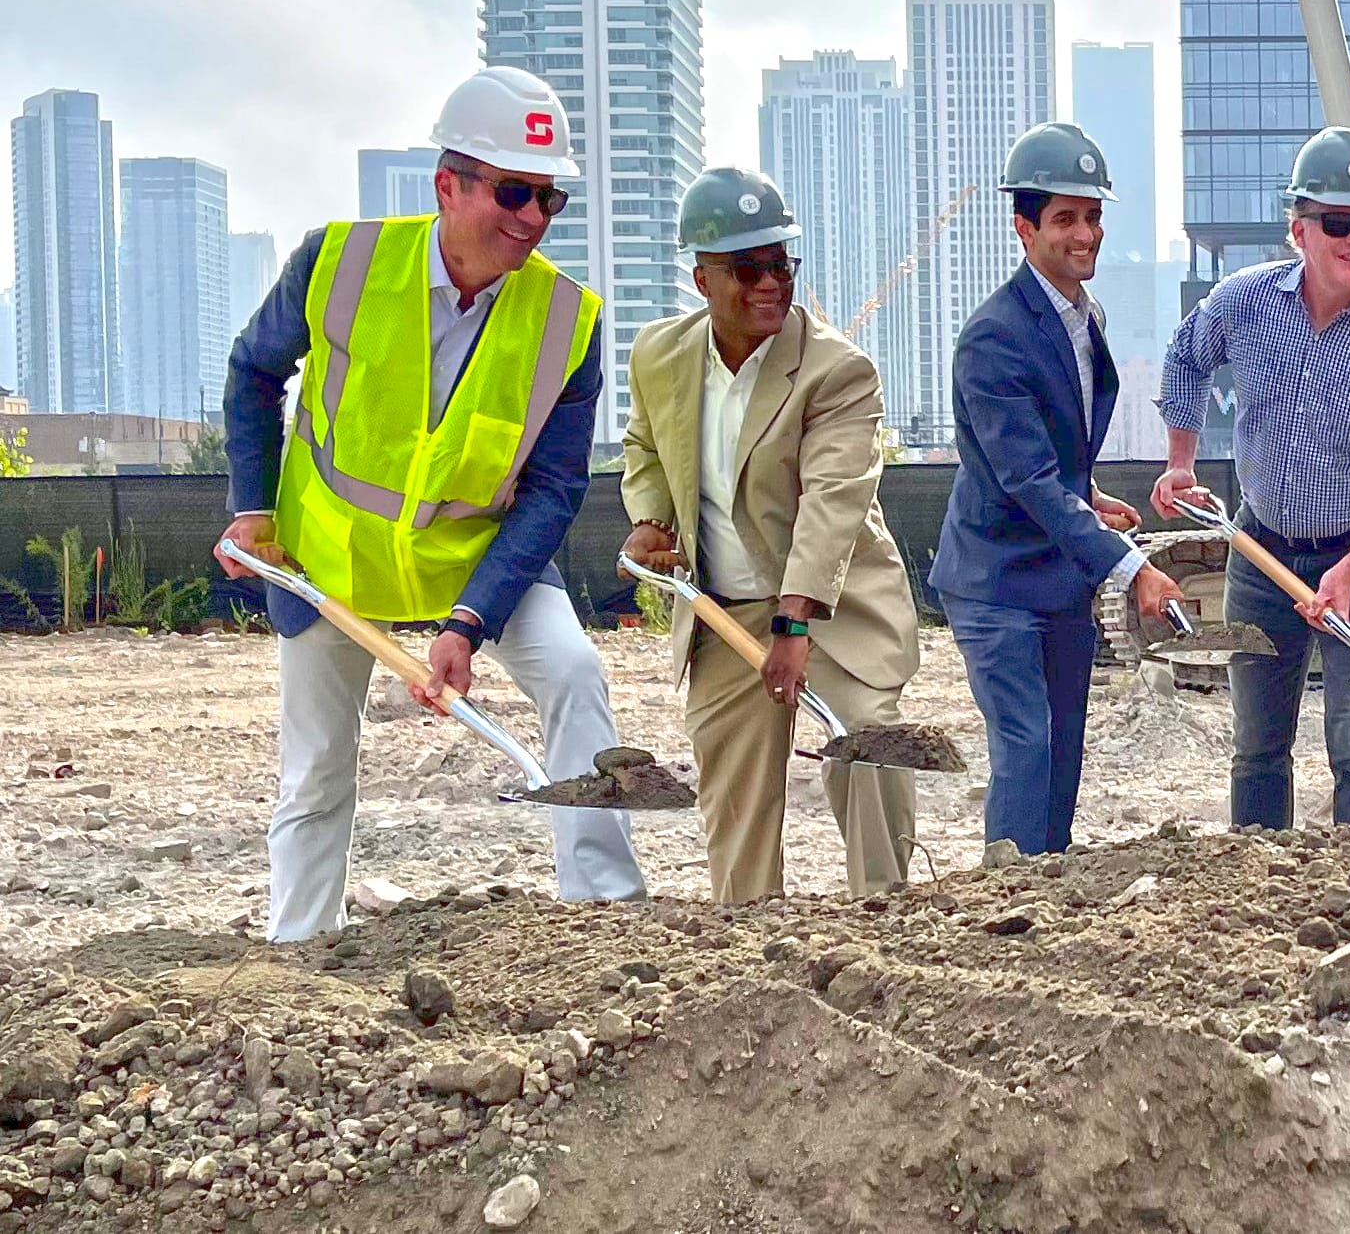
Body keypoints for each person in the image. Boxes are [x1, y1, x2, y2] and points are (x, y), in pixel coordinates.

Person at [216, 64, 645, 943]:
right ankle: (299, 947)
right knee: (318, 766)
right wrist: (253, 509)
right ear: (448, 185)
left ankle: (605, 913)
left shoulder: (571, 321)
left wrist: (468, 620)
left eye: (549, 200)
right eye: (515, 192)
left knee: (572, 672)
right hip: (332, 559)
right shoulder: (339, 262)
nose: (532, 220)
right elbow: (252, 373)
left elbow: (556, 487)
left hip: (476, 559)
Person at [619, 167, 919, 903]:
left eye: (780, 264)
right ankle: (751, 942)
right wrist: (650, 520)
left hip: (833, 601)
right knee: (736, 802)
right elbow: (645, 447)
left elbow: (832, 503)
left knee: (869, 744)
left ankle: (885, 917)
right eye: (747, 268)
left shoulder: (836, 371)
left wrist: (794, 621)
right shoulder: (660, 356)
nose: (769, 284)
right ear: (700, 278)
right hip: (724, 610)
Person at [1153, 126, 1350, 831]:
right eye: (1337, 222)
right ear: (1299, 228)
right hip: (1259, 556)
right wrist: (1179, 459)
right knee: (1257, 747)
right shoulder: (1245, 303)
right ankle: (1253, 892)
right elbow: (1184, 357)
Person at [931, 123, 1183, 856]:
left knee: (1064, 744)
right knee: (1025, 741)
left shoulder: (1083, 317)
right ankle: (1006, 896)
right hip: (995, 580)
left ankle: (1049, 890)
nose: (1085, 234)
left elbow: (1049, 457)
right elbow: (1025, 478)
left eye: (1093, 216)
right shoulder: (993, 337)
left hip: (1057, 573)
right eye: (1066, 219)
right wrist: (1131, 565)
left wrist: (1089, 491)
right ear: (1024, 227)